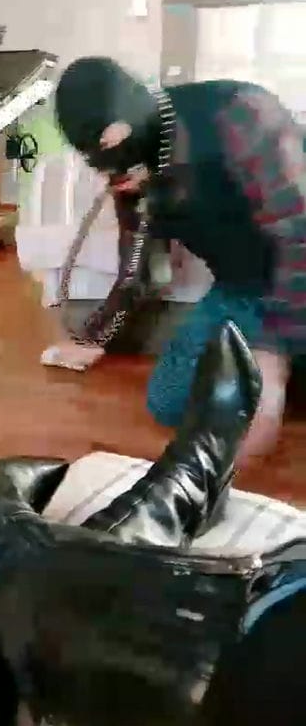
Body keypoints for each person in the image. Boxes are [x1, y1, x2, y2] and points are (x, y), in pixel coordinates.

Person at [52, 56, 306, 463]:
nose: (115, 180)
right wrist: (94, 338)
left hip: (295, 271)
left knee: (261, 378)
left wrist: (273, 348)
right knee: (168, 401)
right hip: (240, 286)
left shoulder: (240, 113)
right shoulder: (129, 176)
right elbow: (137, 268)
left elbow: (297, 234)